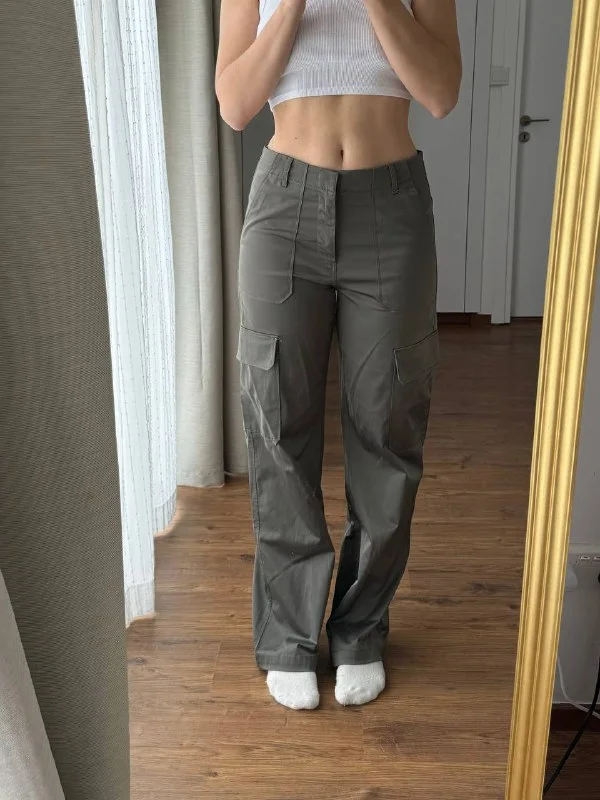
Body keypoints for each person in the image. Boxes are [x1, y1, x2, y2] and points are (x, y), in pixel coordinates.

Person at [215, 0, 461, 710]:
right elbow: (236, 104)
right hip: (284, 206)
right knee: (277, 419)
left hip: (391, 205)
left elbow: (440, 94)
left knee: (389, 420)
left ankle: (360, 629)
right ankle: (288, 636)